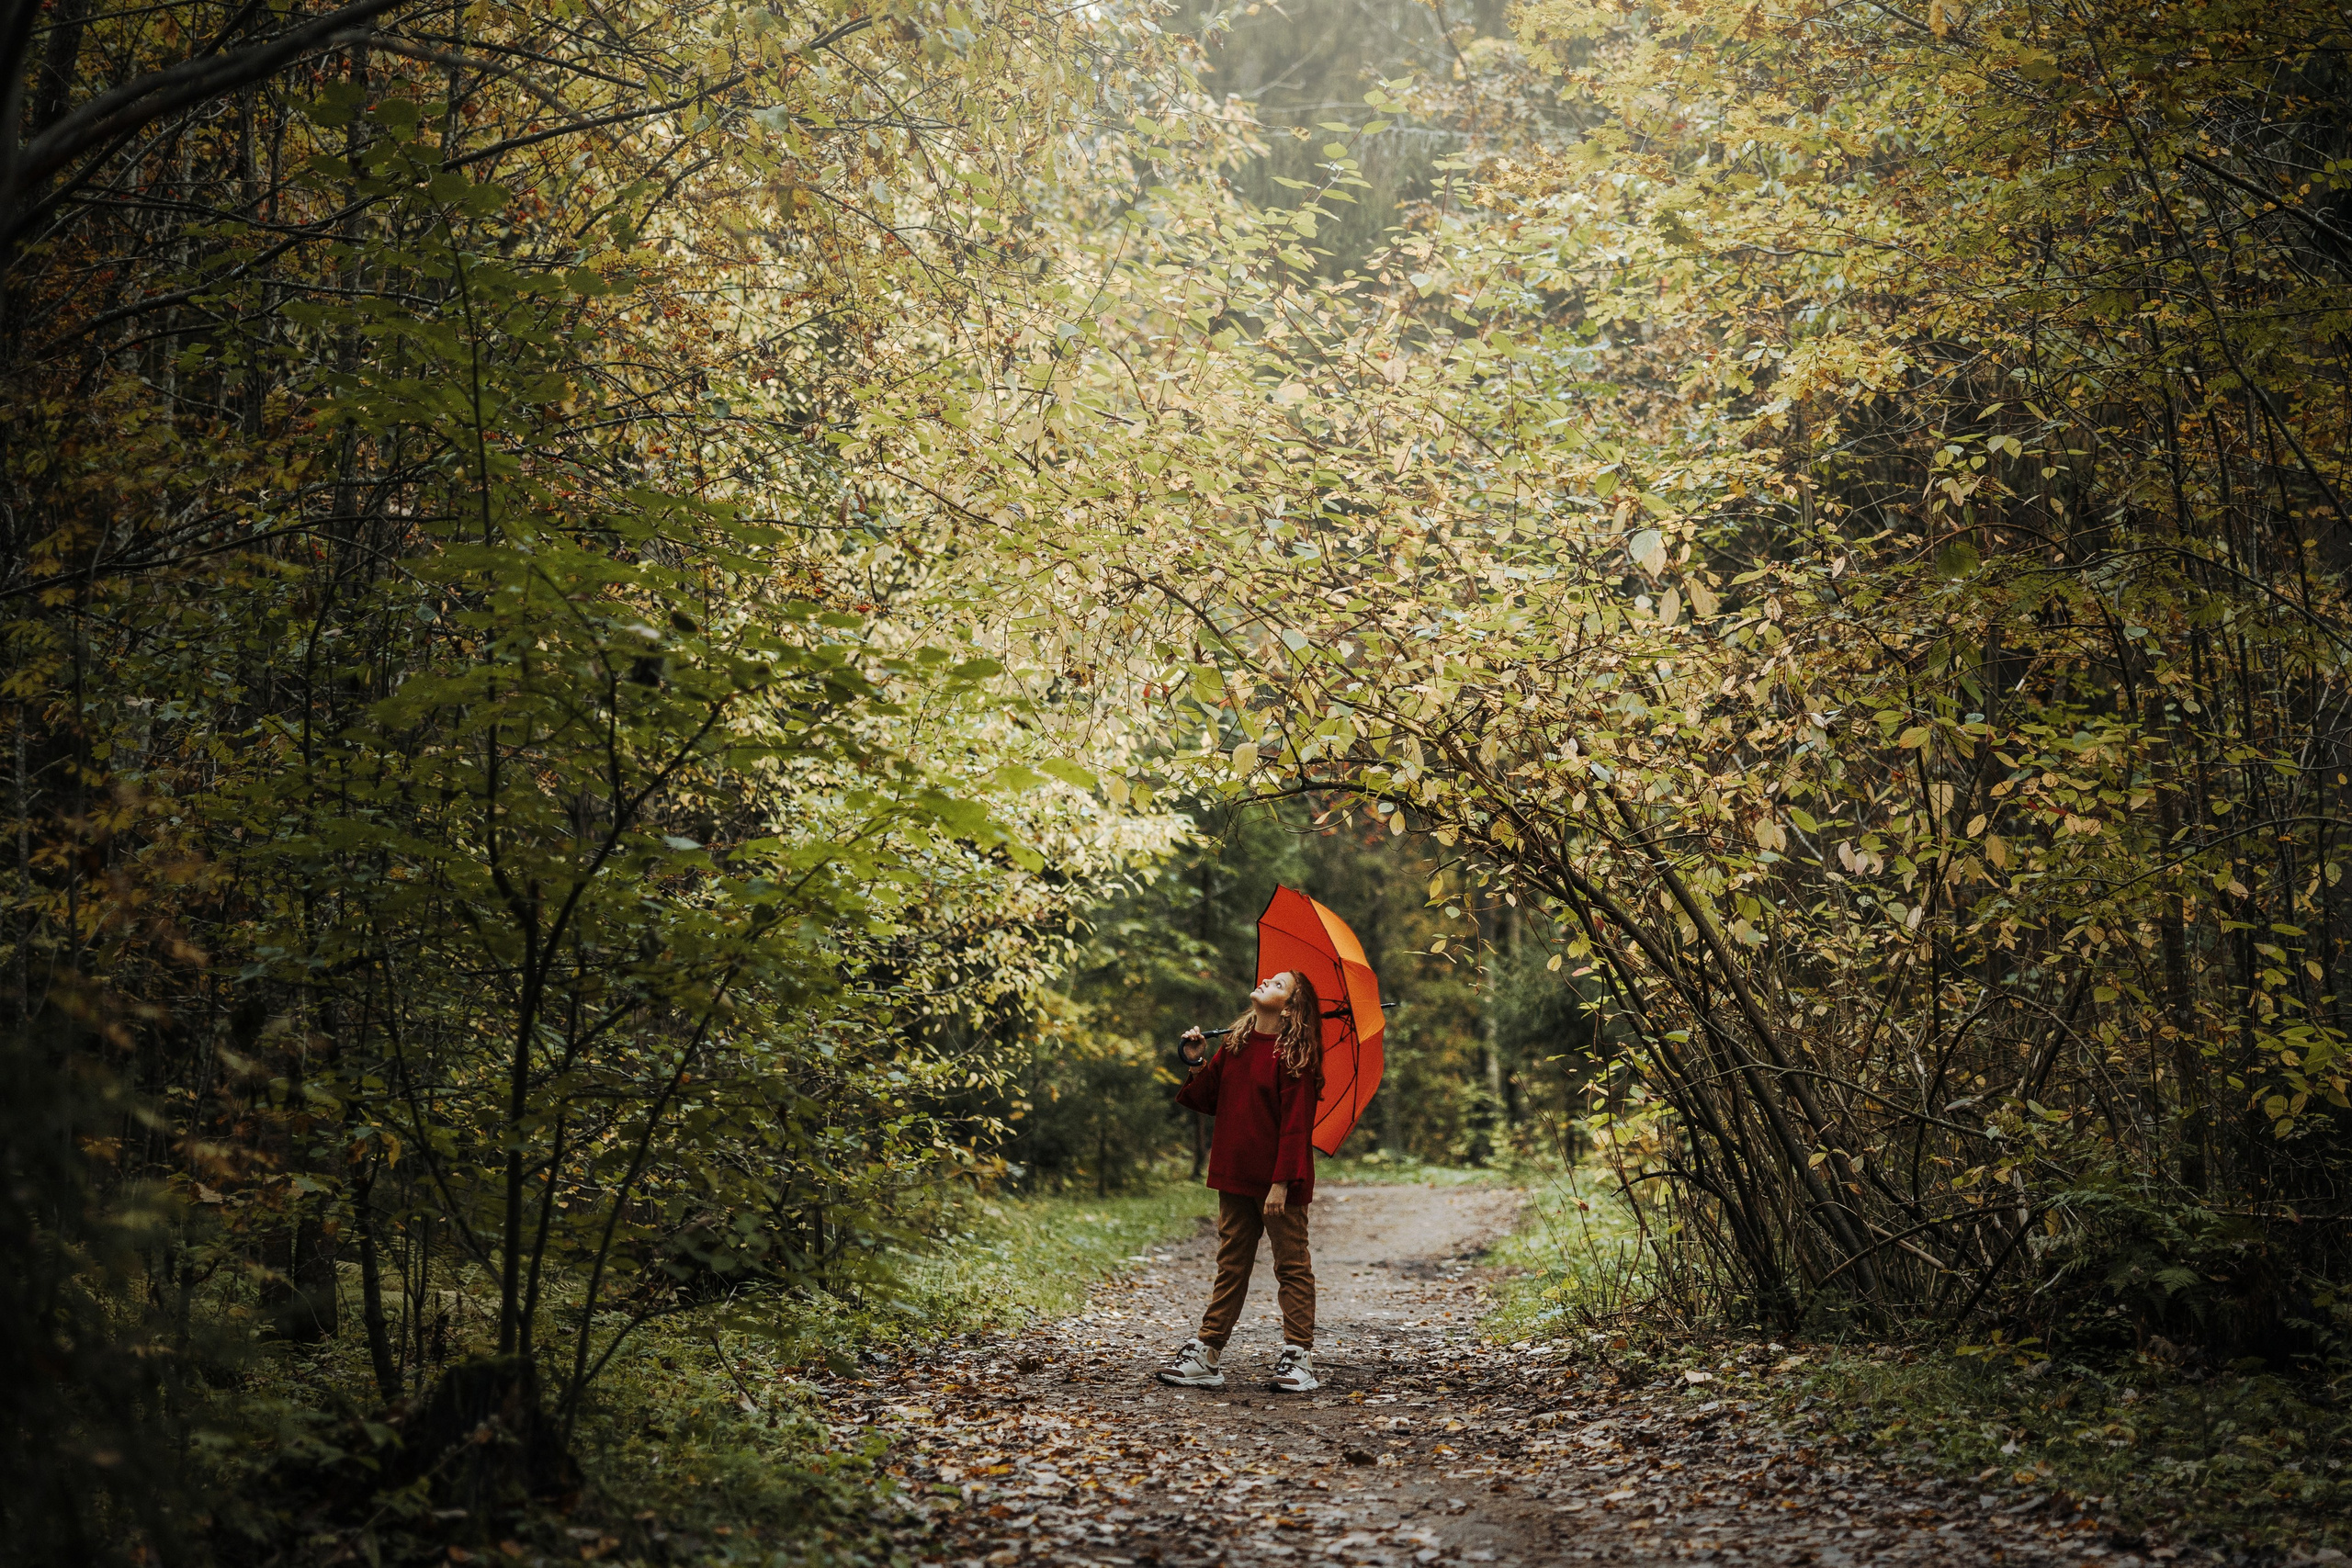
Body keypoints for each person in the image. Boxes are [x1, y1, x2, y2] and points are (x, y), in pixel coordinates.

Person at [1156, 969, 1324, 1393]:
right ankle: (1207, 1354)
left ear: (1290, 1008)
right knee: (1231, 1266)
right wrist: (1196, 1061)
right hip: (1235, 1174)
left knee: (1292, 1267)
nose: (1267, 980)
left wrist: (1281, 1184)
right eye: (1269, 977)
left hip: (1279, 1183)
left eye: (1280, 984)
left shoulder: (1294, 1056)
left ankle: (1298, 1358)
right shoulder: (1234, 1045)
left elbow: (1295, 1128)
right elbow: (1207, 1098)